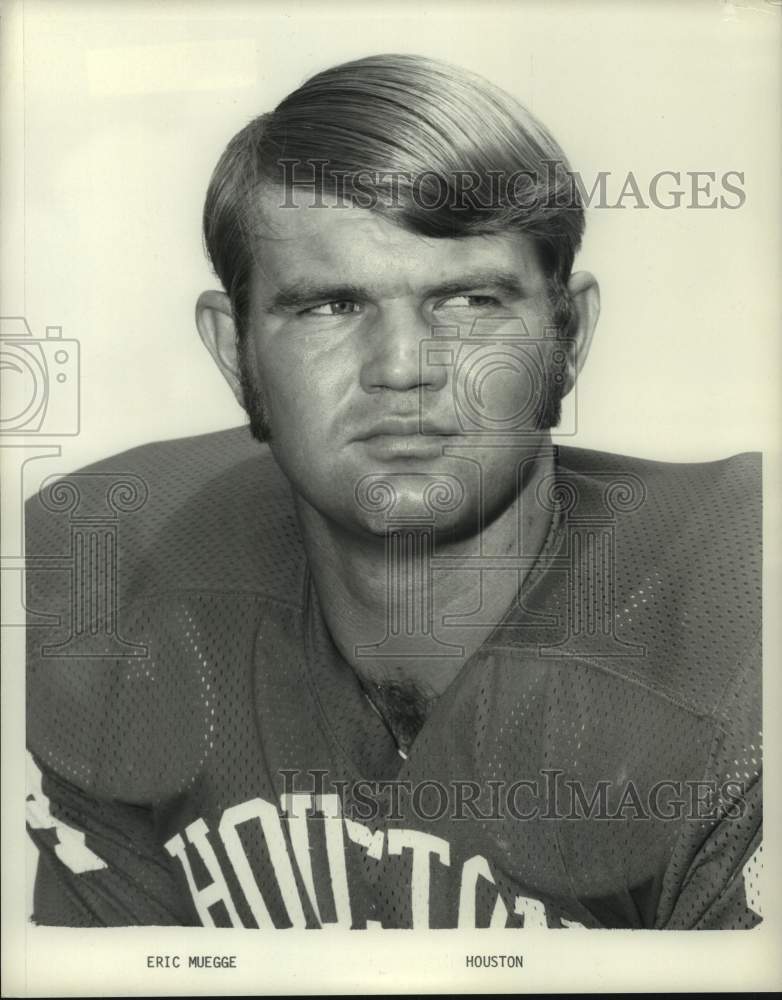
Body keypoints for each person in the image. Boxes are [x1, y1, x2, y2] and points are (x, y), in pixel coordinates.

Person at [25, 53, 761, 929]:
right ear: (234, 352)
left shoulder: (744, 615)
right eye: (329, 307)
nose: (404, 367)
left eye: (470, 300)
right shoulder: (113, 568)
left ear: (570, 334)